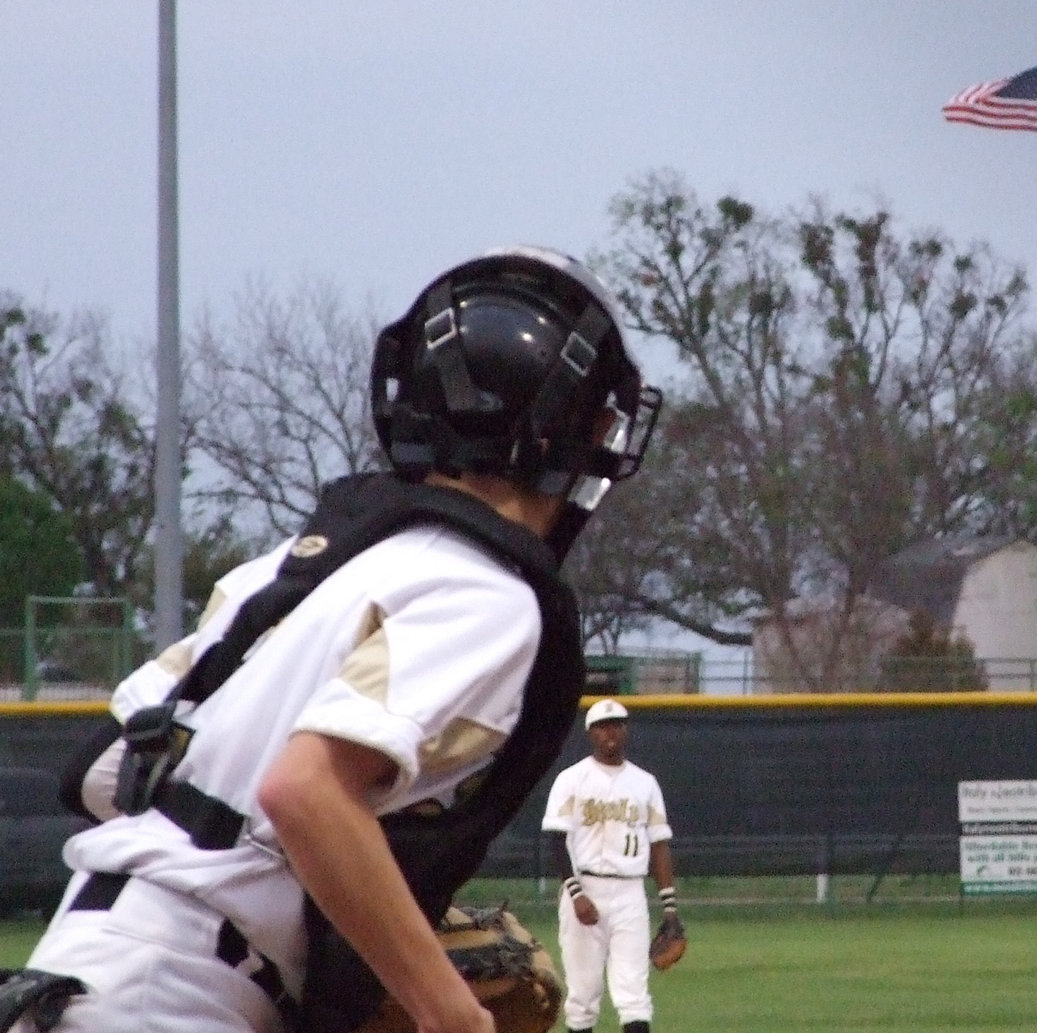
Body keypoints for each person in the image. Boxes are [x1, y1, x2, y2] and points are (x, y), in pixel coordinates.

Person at [7, 246, 661, 1033]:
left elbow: (108, 774)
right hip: (178, 999)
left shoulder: (291, 571)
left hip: (78, 973)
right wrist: (448, 1008)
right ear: (586, 430)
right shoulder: (488, 594)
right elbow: (306, 793)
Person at [541, 698, 679, 1033]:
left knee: (634, 995)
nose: (610, 732)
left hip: (630, 892)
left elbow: (659, 844)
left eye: (616, 725)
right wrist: (576, 894)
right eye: (602, 727)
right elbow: (557, 840)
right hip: (585, 887)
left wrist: (670, 909)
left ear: (625, 730)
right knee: (583, 997)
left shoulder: (645, 783)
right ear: (590, 733)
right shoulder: (571, 779)